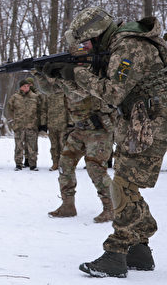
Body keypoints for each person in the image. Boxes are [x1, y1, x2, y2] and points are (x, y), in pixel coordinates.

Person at [47, 7, 167, 277]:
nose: (87, 47)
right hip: (143, 122)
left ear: (97, 34)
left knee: (122, 187)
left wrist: (77, 74)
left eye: (88, 42)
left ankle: (116, 254)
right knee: (126, 185)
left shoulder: (129, 45)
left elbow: (113, 92)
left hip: (150, 124)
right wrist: (66, 74)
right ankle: (139, 248)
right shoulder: (125, 43)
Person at [36, 72, 115, 223]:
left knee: (95, 168)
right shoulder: (67, 79)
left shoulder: (91, 76)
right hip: (79, 130)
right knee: (64, 164)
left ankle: (111, 208)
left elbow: (78, 94)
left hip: (98, 131)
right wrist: (38, 73)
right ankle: (68, 205)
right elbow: (48, 89)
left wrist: (62, 76)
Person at [6, 79, 44, 171]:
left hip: (32, 125)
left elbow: (40, 111)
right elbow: (9, 109)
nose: (26, 88)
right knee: (18, 145)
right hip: (19, 125)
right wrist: (15, 119)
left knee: (32, 146)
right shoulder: (15, 97)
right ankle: (18, 164)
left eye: (28, 86)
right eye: (24, 86)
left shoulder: (35, 97)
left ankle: (33, 164)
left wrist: (39, 123)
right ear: (21, 87)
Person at [43, 89, 68, 171]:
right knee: (54, 146)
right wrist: (44, 124)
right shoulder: (48, 95)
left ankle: (63, 164)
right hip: (51, 124)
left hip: (63, 124)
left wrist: (70, 122)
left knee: (63, 145)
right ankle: (55, 163)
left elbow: (69, 108)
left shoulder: (64, 94)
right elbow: (44, 110)